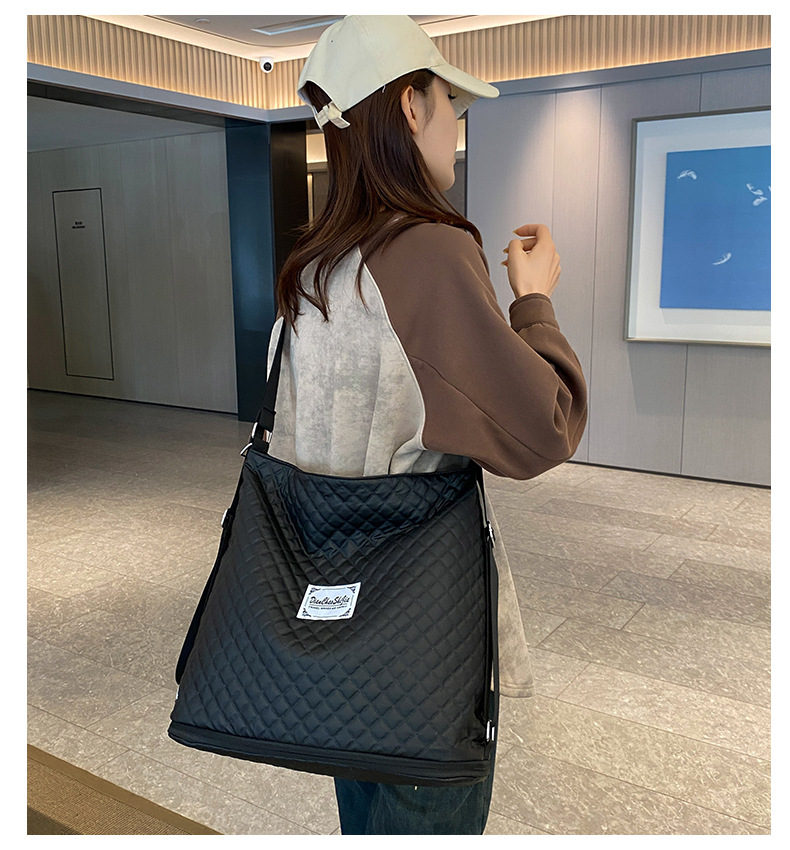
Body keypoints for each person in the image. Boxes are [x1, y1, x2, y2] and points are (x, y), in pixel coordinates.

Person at [266, 15, 588, 835]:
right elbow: (545, 426)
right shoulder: (432, 253)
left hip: (330, 628)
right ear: (410, 105)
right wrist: (534, 302)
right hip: (421, 640)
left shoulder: (313, 271)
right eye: (450, 102)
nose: (456, 124)